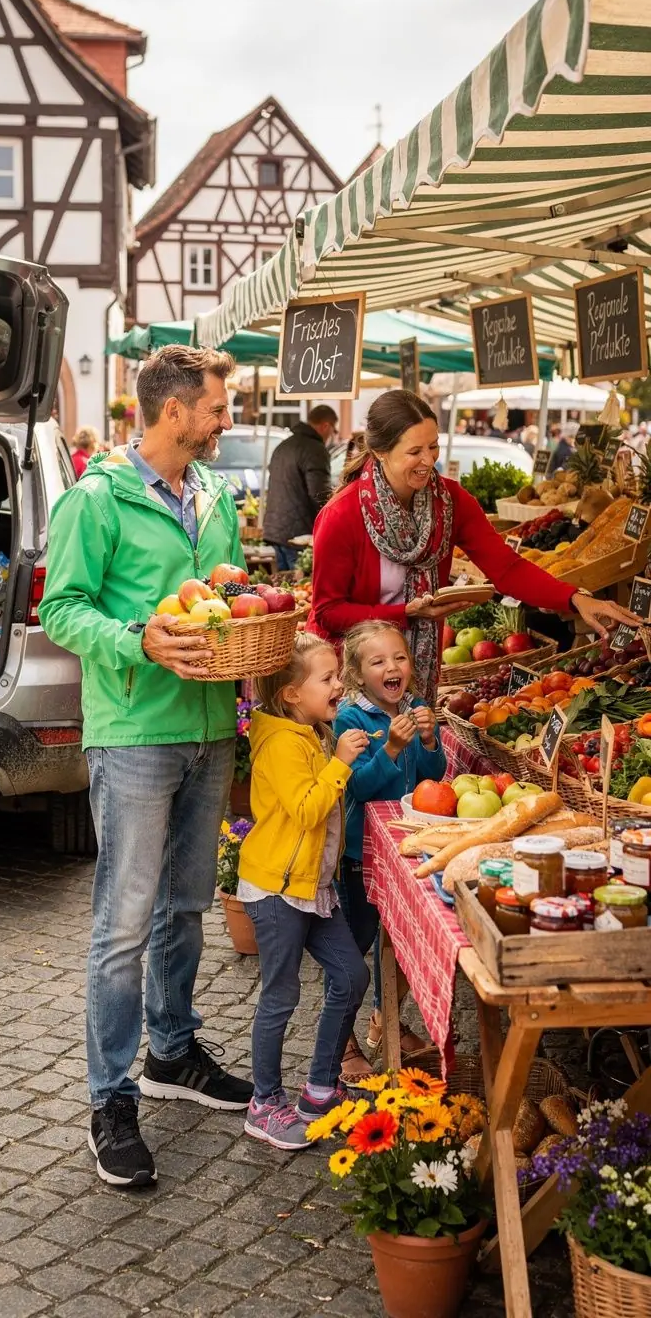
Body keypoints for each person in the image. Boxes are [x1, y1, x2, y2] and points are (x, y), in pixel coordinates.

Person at [39, 344, 254, 1189]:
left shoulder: (214, 495)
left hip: (208, 728)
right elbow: (61, 607)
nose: (225, 420)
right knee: (123, 924)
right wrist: (135, 639)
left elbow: (212, 598)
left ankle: (172, 1052)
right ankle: (109, 1096)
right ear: (173, 411)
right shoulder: (96, 499)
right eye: (216, 407)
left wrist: (229, 586)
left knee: (187, 907)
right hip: (132, 731)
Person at [308, 390, 639, 706]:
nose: (428, 461)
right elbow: (328, 612)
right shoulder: (341, 515)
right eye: (414, 452)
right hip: (349, 679)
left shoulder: (449, 501)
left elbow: (507, 569)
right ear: (380, 452)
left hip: (413, 670)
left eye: (433, 447)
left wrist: (576, 598)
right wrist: (406, 613)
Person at [237, 632, 370, 1150]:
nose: (340, 684)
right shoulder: (282, 744)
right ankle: (264, 1103)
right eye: (329, 678)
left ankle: (319, 1088)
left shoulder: (310, 731)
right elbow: (308, 809)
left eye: (338, 675)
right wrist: (339, 761)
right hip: (275, 892)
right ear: (292, 694)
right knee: (281, 994)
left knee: (351, 974)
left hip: (312, 887)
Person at [333, 621, 445, 1076]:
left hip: (406, 846)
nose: (392, 667)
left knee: (396, 943)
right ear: (359, 675)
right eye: (378, 662)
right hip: (362, 853)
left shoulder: (416, 705)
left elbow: (431, 777)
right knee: (354, 946)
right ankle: (340, 1040)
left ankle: (386, 1020)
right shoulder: (351, 719)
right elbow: (358, 785)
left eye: (399, 658)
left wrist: (429, 741)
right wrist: (393, 749)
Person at [263, 405, 339, 571]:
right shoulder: (315, 450)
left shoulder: (285, 445)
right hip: (299, 535)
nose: (331, 436)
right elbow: (320, 494)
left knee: (284, 589)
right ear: (326, 425)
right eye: (333, 430)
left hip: (274, 531)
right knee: (301, 588)